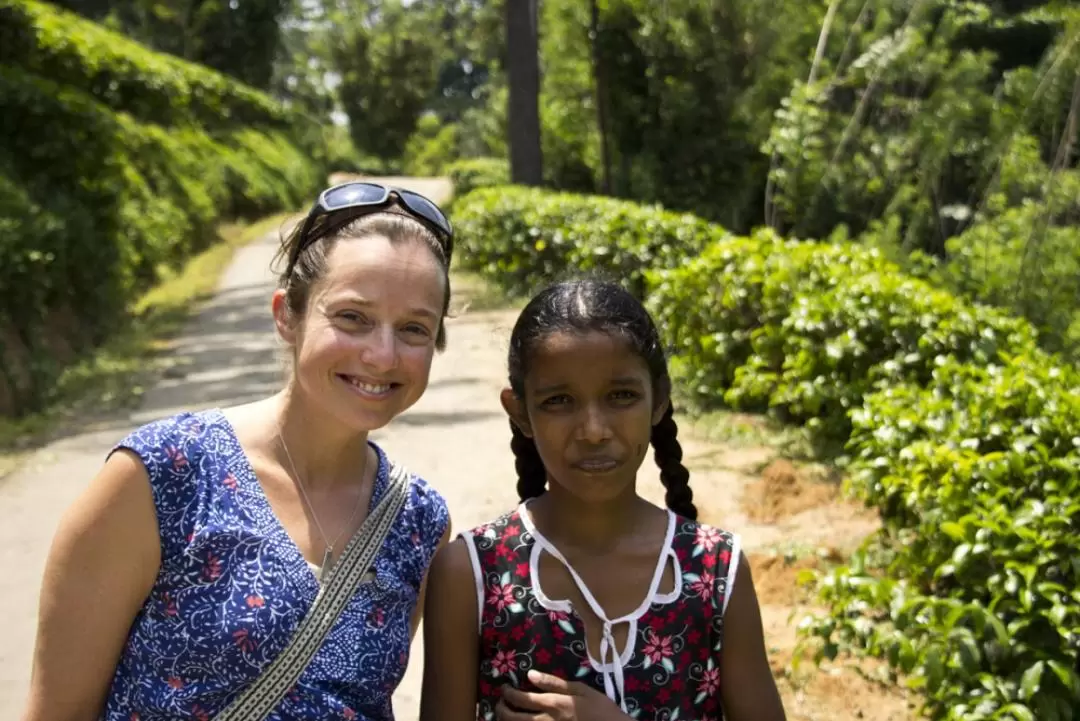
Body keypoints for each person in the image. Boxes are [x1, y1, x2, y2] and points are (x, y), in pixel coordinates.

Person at [21, 182, 456, 721]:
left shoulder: (418, 521)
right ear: (286, 317)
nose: (382, 354)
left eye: (414, 328)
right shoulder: (163, 474)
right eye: (352, 317)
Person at [420, 279, 786, 721]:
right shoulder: (472, 576)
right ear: (520, 413)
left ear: (659, 401)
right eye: (559, 401)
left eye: (621, 397)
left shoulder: (715, 572)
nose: (593, 430)